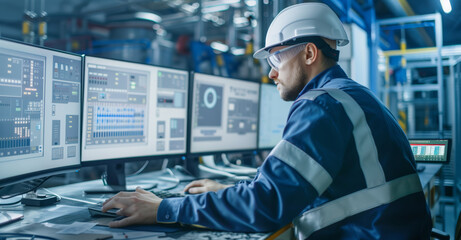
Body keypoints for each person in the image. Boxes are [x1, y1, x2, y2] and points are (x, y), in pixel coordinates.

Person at [102, 2, 432, 239]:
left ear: (309, 54)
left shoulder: (322, 105)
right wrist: (235, 192)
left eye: (276, 57)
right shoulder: (352, 95)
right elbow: (288, 190)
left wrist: (165, 208)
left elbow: (267, 206)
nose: (271, 72)